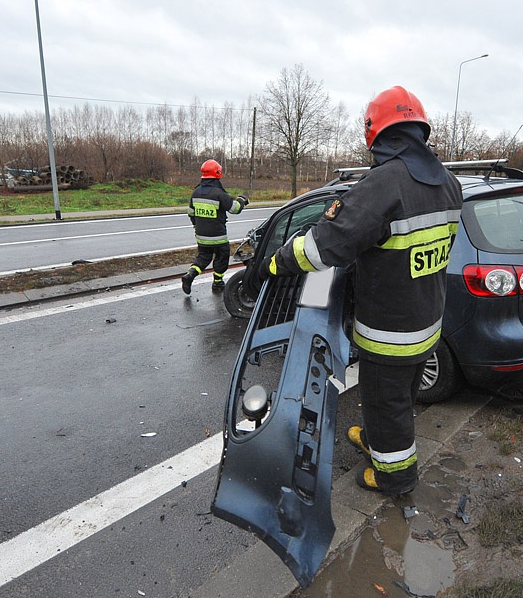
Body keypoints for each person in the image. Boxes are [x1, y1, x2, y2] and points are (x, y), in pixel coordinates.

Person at [254, 86, 463, 496]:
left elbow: (322, 246)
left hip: (388, 330)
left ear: (375, 133)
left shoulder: (384, 184)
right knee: (397, 396)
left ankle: (395, 476)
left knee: (390, 404)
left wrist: (277, 261)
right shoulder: (449, 183)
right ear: (420, 128)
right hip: (427, 322)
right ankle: (376, 440)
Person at [181, 159, 248, 295]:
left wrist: (197, 226)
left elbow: (190, 213)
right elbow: (235, 209)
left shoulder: (195, 192)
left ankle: (190, 275)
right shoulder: (219, 193)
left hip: (201, 236)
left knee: (203, 257)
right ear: (218, 173)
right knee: (222, 257)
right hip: (218, 237)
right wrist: (242, 200)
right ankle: (217, 283)